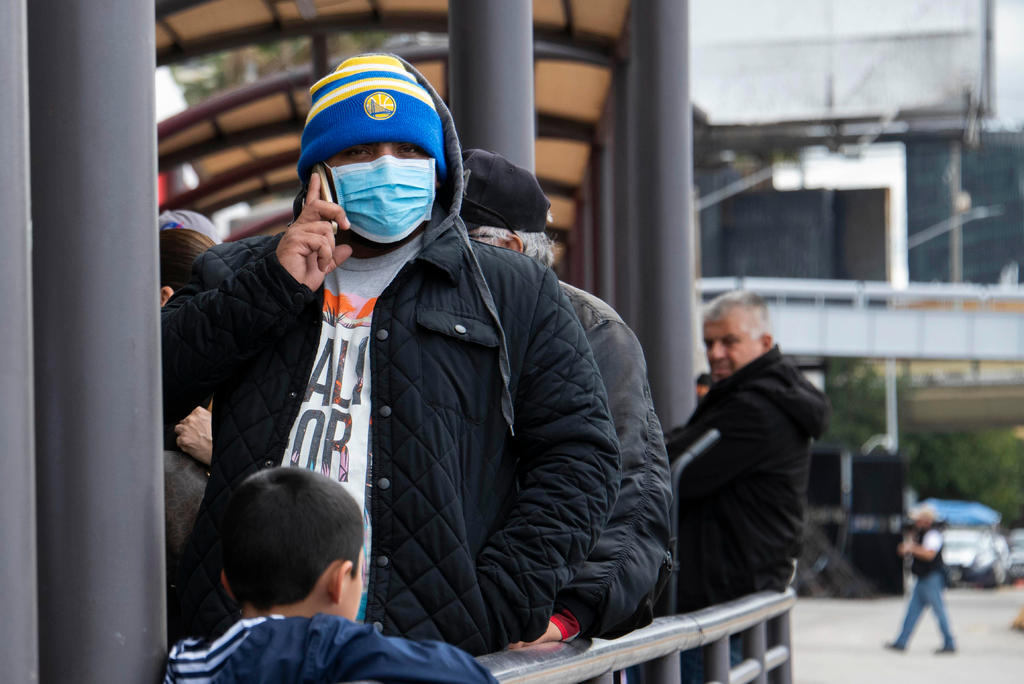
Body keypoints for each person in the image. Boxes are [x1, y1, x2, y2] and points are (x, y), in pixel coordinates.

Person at [162, 53, 620, 655]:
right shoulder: (236, 271)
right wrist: (270, 288)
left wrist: (497, 603)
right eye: (358, 151)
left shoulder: (512, 290)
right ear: (319, 173)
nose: (386, 167)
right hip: (244, 639)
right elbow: (146, 391)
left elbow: (580, 455)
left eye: (407, 150)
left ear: (438, 169)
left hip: (425, 645)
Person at [461, 149, 672, 643]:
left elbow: (627, 483)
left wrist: (566, 615)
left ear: (510, 247)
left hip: (532, 625)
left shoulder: (593, 329)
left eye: (451, 239)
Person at [164, 467, 497, 683]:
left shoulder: (192, 663)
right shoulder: (336, 648)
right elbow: (459, 674)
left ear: (226, 583)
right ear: (339, 582)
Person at [663, 290, 829, 683]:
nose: (715, 353)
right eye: (709, 343)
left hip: (719, 608)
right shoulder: (756, 396)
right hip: (737, 601)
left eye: (729, 341)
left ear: (764, 342)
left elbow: (676, 468)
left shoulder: (756, 409)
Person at [885, 503, 957, 654]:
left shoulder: (933, 535)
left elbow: (929, 554)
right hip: (922, 578)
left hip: (931, 578)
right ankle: (901, 641)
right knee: (912, 611)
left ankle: (949, 642)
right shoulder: (921, 534)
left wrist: (911, 548)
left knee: (939, 611)